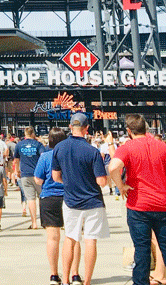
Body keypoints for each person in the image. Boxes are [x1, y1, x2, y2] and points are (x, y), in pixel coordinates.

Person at [108, 115, 166, 285]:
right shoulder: (163, 146)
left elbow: (113, 167)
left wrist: (120, 186)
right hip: (162, 204)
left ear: (129, 131)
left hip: (139, 205)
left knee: (142, 249)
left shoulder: (127, 147)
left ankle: (141, 282)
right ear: (147, 128)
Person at [52, 113, 109, 285]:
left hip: (71, 200)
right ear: (86, 129)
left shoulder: (59, 148)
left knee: (70, 238)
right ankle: (87, 281)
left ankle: (67, 279)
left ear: (70, 127)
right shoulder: (92, 151)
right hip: (93, 201)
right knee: (90, 240)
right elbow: (101, 181)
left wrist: (69, 182)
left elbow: (55, 177)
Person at [34, 127, 76, 285]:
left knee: (52, 238)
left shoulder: (45, 156)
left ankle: (53, 274)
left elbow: (38, 180)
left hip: (49, 198)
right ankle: (74, 274)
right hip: (69, 196)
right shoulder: (69, 155)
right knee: (72, 237)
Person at [16, 126, 45, 230]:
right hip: (38, 174)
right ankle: (44, 221)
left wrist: (17, 171)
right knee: (42, 197)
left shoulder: (19, 145)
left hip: (25, 174)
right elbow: (43, 156)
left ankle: (34, 222)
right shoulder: (38, 144)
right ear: (33, 134)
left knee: (30, 199)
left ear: (25, 134)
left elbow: (16, 159)